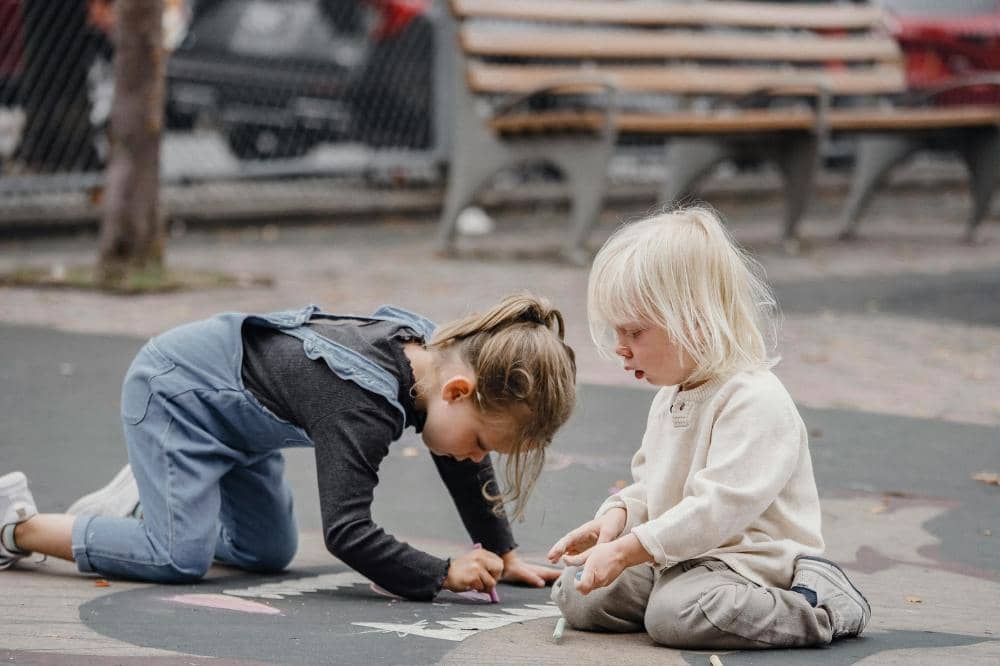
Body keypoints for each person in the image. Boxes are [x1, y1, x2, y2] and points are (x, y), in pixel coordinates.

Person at [0, 293, 577, 601]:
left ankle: (158, 502)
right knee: (178, 557)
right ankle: (17, 525)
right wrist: (439, 571)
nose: (478, 458)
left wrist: (501, 552)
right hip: (175, 394)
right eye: (482, 442)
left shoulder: (433, 358)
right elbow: (347, 532)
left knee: (267, 550)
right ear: (458, 390)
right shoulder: (362, 402)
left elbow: (457, 460)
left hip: (236, 425)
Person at [547, 207, 870, 649]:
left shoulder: (754, 398)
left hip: (749, 563)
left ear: (694, 320)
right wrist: (617, 517)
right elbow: (654, 488)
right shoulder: (672, 395)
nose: (621, 348)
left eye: (634, 332)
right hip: (683, 556)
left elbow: (717, 509)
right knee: (579, 594)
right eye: (615, 332)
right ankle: (675, 597)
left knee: (675, 616)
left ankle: (820, 605)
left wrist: (626, 551)